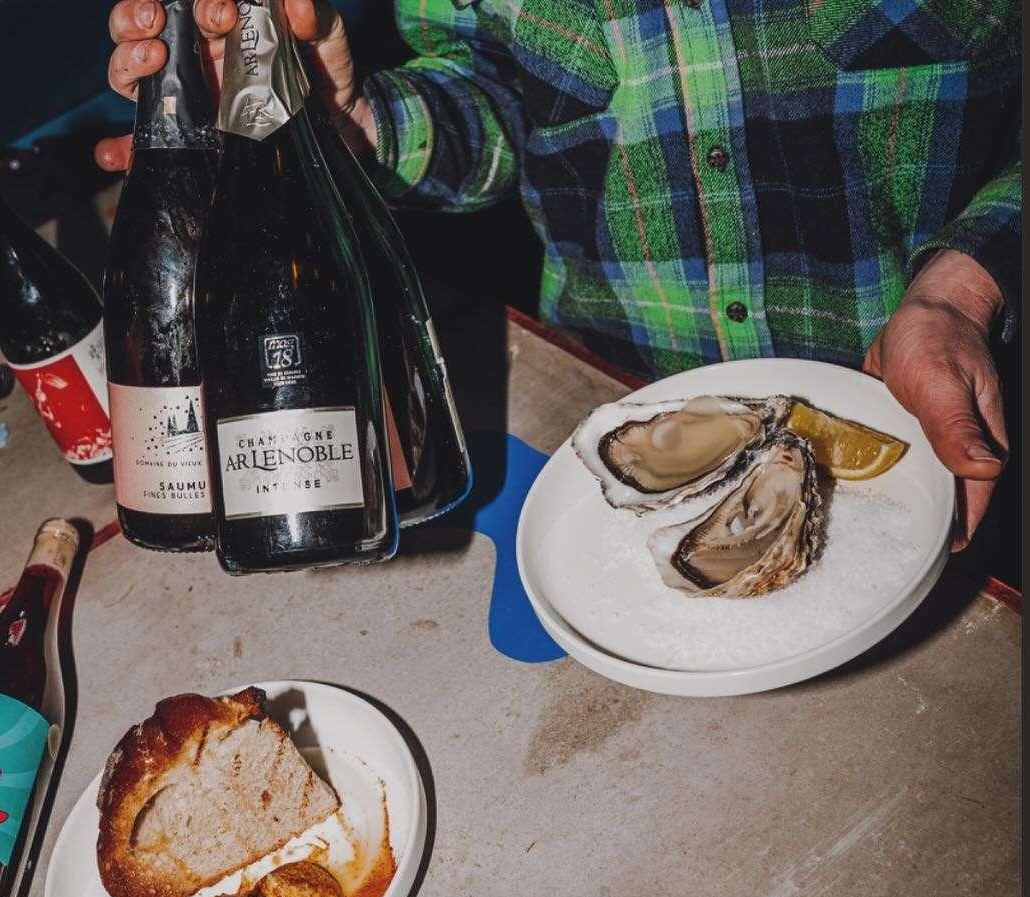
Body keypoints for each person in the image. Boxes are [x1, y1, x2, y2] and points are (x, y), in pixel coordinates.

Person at [97, 0, 1019, 550]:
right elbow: (496, 94)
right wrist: (354, 123)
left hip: (925, 409)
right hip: (621, 421)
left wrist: (963, 289)